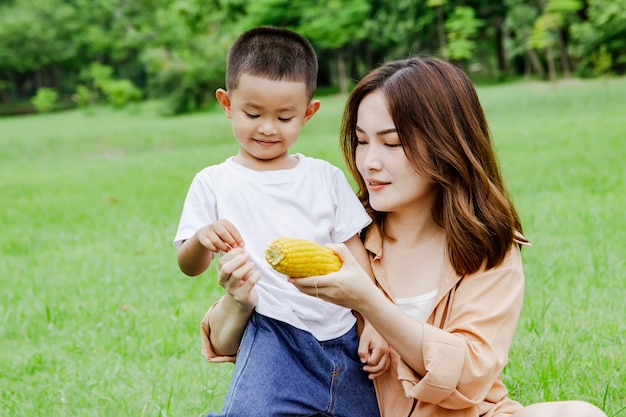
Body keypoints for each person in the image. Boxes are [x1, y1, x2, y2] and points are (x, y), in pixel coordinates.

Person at [289, 56, 608, 417]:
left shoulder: (488, 246)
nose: (369, 162)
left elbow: (470, 374)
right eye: (362, 141)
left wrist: (370, 304)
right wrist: (238, 300)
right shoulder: (346, 237)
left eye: (391, 144)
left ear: (446, 145)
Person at [173, 26, 386, 417]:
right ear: (226, 104)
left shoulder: (324, 177)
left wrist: (372, 322)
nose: (268, 128)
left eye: (285, 117)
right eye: (252, 114)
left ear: (308, 112)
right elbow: (189, 266)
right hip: (273, 332)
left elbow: (355, 257)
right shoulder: (215, 182)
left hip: (342, 333)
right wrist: (202, 239)